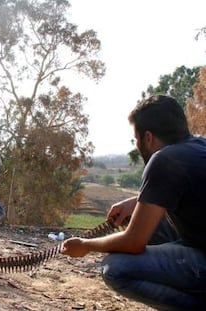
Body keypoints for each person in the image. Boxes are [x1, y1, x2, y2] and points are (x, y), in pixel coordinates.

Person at [60, 95, 206, 310]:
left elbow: (133, 242)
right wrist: (137, 201)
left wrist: (85, 245)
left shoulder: (164, 159)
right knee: (150, 225)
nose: (137, 145)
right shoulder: (198, 146)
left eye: (135, 139)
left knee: (117, 268)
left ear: (147, 137)